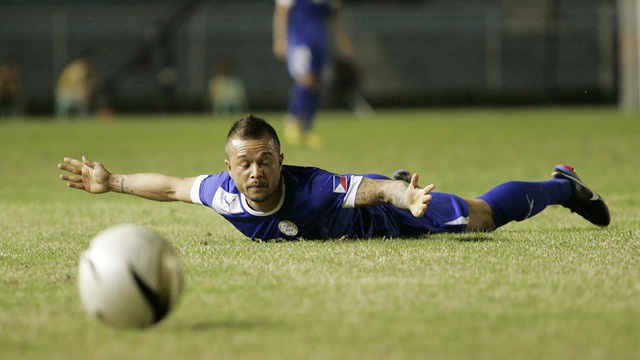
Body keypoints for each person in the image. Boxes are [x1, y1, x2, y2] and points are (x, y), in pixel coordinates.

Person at [58, 115, 610, 242]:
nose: (255, 172)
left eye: (265, 159)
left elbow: (363, 190)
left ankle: (564, 184)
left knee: (483, 220)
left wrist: (403, 193)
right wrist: (117, 181)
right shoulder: (223, 193)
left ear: (280, 156)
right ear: (229, 166)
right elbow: (176, 186)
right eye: (244, 163)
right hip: (368, 201)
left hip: (385, 209)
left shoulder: (311, 187)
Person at [273, 0, 354, 148]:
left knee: (316, 84)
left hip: (320, 43)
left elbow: (334, 17)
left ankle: (308, 129)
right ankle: (292, 119)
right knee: (306, 79)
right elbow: (282, 13)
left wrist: (343, 41)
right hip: (299, 41)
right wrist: (280, 39)